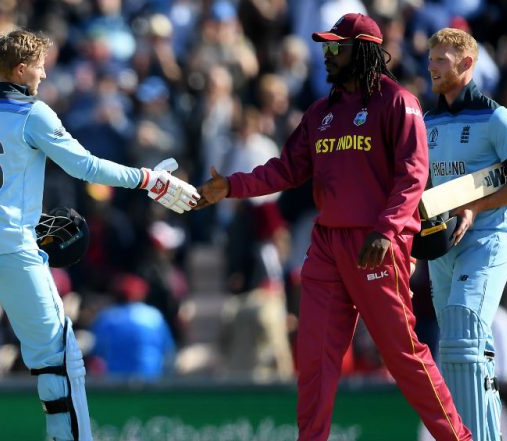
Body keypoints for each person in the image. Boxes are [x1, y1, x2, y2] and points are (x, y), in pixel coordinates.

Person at [195, 13, 472, 441]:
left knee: (403, 356)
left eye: (334, 48)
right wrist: (229, 186)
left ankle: (458, 437)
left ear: (361, 51)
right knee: (316, 363)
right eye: (325, 46)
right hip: (326, 245)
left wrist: (386, 230)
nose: (325, 55)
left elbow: (413, 174)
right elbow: (285, 170)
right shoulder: (321, 112)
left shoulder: (398, 102)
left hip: (376, 244)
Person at [0, 29, 198, 441]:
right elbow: (87, 168)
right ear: (21, 70)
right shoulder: (32, 113)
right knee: (58, 360)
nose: (43, 75)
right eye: (39, 67)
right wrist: (150, 179)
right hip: (11, 249)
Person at [424, 28, 507, 441]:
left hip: (486, 241)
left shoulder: (497, 117)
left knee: (462, 337)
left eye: (441, 59)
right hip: (442, 248)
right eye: (431, 58)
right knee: (459, 351)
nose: (432, 66)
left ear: (467, 64)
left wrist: (476, 206)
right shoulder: (428, 120)